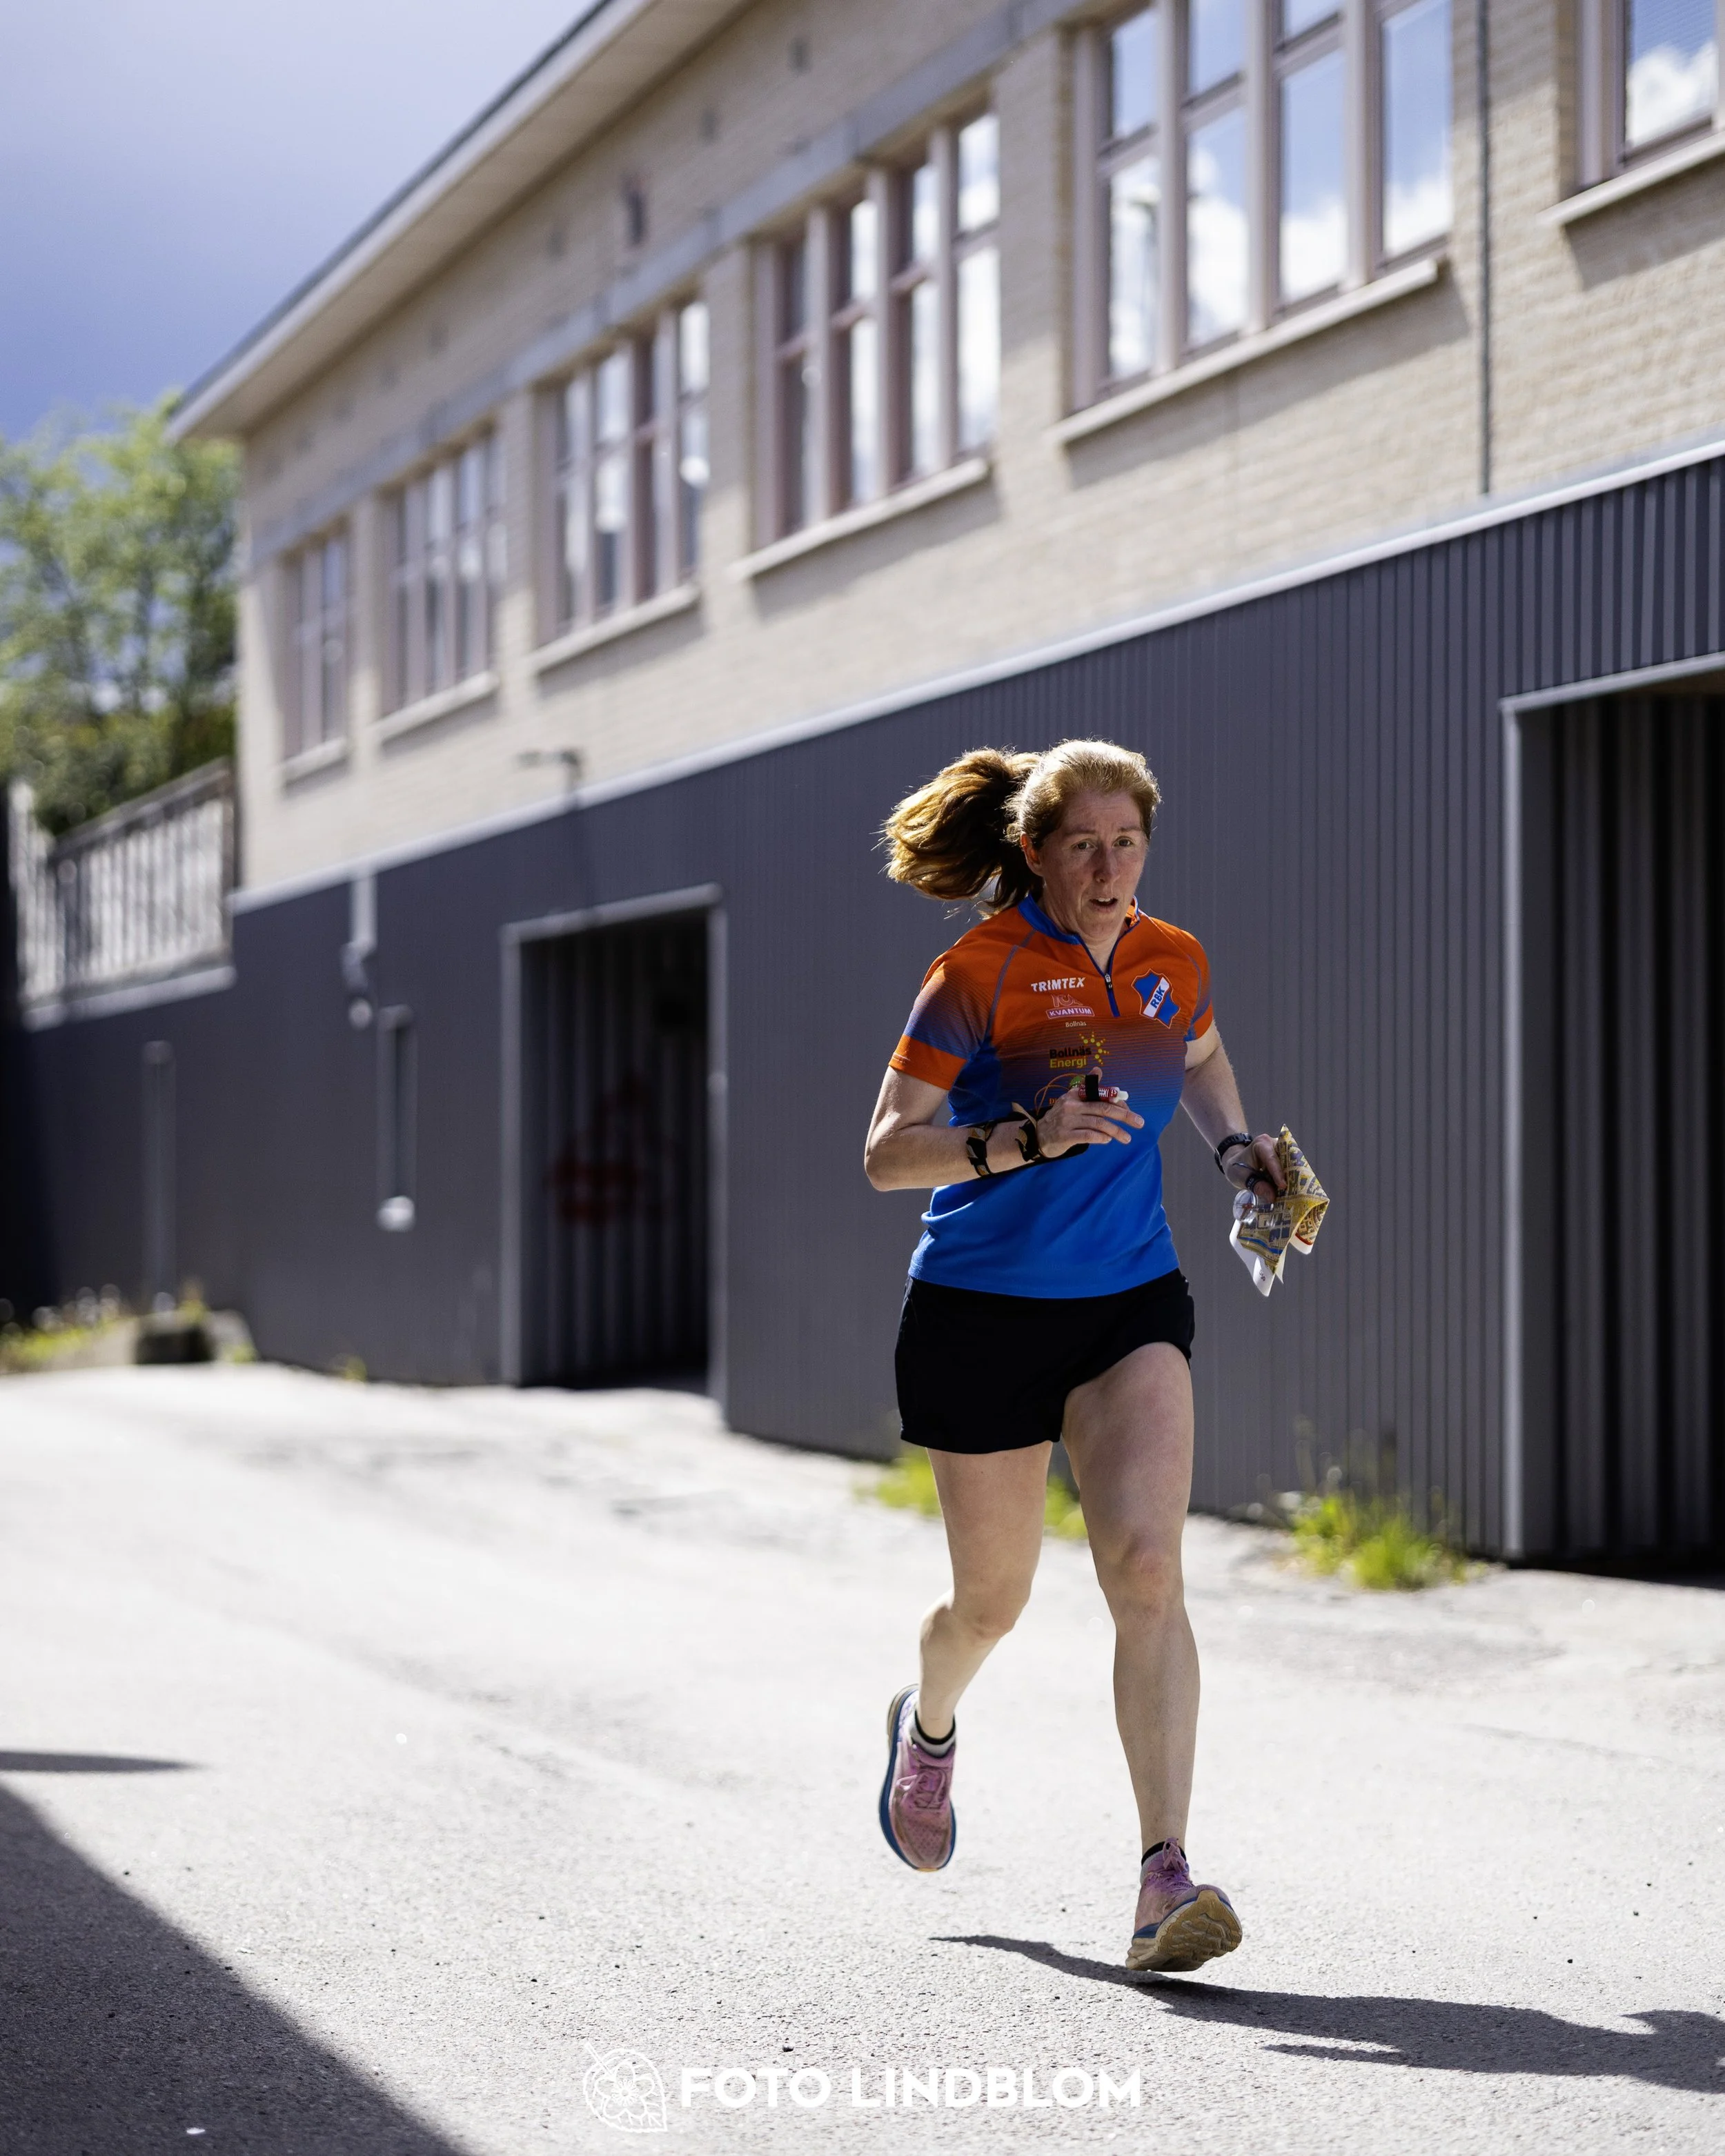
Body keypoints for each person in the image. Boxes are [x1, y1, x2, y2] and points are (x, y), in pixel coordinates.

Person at [862, 739, 1284, 1975]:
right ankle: (928, 1726)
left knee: (1148, 1570)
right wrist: (1020, 1140)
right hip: (979, 1311)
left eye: (1128, 844)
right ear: (1037, 853)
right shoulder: (976, 970)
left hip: (1127, 1303)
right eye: (1084, 846)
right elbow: (889, 1152)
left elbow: (1198, 1058)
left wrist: (1234, 1151)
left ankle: (1165, 1878)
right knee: (992, 1602)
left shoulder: (1174, 961)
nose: (1108, 869)